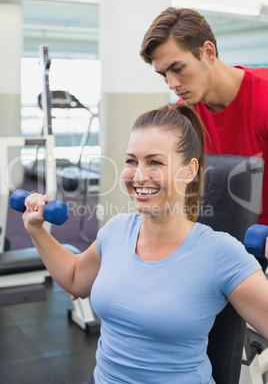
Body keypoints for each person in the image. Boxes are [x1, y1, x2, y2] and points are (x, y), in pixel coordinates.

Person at [22, 103, 268, 383]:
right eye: (131, 161)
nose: (138, 176)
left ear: (189, 171)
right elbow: (76, 279)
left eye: (155, 162)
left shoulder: (220, 253)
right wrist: (37, 229)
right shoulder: (116, 231)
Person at [140, 6, 268, 227]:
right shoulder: (184, 115)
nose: (172, 84)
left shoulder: (263, 97)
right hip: (217, 235)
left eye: (178, 68)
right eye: (163, 74)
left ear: (208, 52)